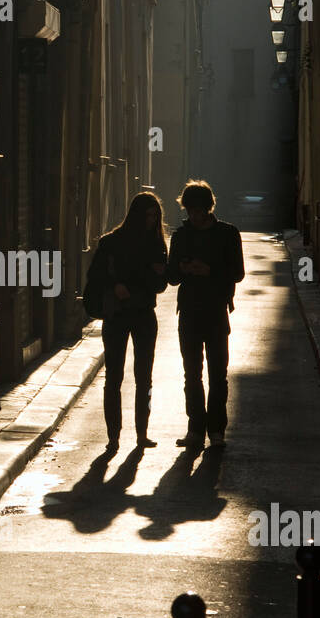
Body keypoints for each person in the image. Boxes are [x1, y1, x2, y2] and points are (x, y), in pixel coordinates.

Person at [83, 192, 169, 455]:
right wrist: (116, 285)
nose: (151, 220)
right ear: (135, 215)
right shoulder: (111, 242)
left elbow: (161, 284)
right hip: (118, 315)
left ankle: (142, 434)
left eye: (155, 216)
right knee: (114, 377)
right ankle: (113, 437)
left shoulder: (157, 245)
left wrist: (136, 281)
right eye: (147, 215)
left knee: (144, 377)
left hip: (143, 314)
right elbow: (95, 279)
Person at [167, 180, 244, 451]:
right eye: (190, 211)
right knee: (192, 374)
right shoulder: (181, 235)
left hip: (216, 312)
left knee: (218, 375)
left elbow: (238, 273)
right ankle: (195, 430)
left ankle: (217, 430)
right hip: (188, 311)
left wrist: (209, 271)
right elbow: (172, 277)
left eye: (198, 211)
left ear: (208, 208)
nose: (194, 216)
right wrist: (183, 268)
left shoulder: (228, 234)